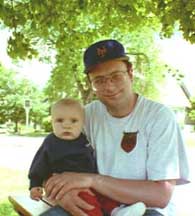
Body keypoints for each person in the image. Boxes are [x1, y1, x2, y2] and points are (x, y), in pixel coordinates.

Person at [44, 39, 190, 216]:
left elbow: (160, 195)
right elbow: (51, 160)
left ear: (130, 73)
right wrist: (63, 195)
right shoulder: (86, 116)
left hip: (145, 210)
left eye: (116, 76)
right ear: (91, 83)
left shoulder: (158, 116)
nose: (109, 86)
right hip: (96, 204)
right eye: (99, 80)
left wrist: (93, 181)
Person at [28, 98, 145, 216]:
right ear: (52, 122)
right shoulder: (51, 142)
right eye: (60, 120)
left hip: (89, 181)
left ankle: (118, 211)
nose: (67, 125)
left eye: (74, 121)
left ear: (82, 123)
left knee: (105, 196)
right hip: (68, 186)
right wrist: (35, 185)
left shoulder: (84, 139)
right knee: (87, 203)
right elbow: (39, 164)